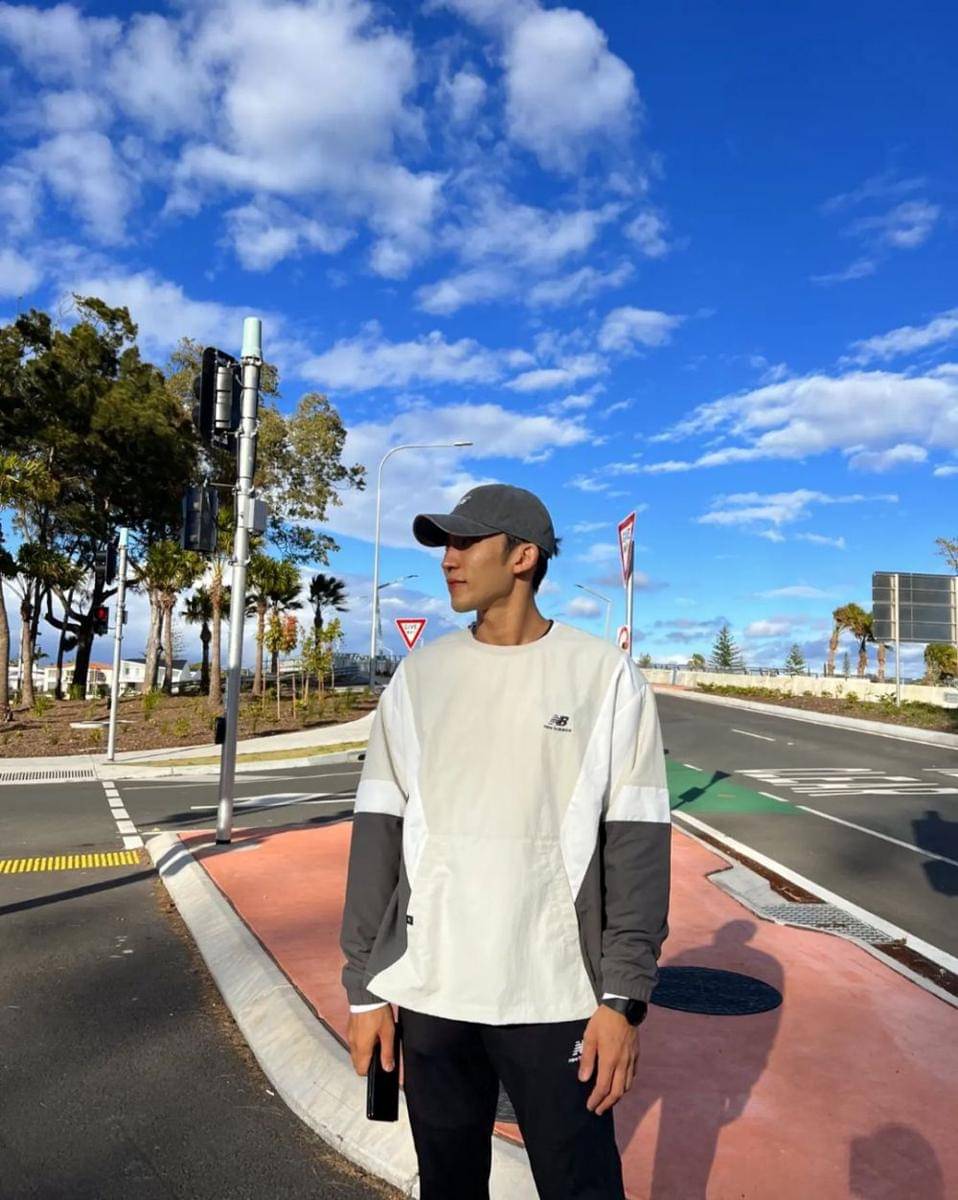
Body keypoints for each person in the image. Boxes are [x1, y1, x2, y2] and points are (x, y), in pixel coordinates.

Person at [340, 484, 671, 1200]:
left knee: (582, 1187)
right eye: (445, 545)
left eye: (465, 542)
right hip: (434, 991)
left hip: (556, 995)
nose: (448, 559)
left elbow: (638, 849)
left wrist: (622, 1000)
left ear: (523, 557)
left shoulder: (605, 677)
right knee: (448, 1186)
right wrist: (364, 990)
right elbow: (377, 837)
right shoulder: (420, 677)